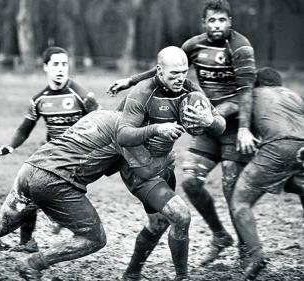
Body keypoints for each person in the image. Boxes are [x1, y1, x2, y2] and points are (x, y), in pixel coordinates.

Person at [0, 105, 210, 281]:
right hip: (54, 182)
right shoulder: (126, 132)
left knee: (0, 225)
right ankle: (33, 263)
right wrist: (166, 159)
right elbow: (144, 172)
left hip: (30, 170)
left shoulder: (98, 115)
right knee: (95, 238)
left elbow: (101, 165)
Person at [107, 0, 258, 265]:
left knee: (230, 188)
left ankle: (246, 252)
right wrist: (130, 82)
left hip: (232, 125)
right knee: (190, 182)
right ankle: (220, 235)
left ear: (230, 22)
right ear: (204, 22)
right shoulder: (194, 45)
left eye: (222, 20)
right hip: (200, 118)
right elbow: (163, 67)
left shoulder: (241, 47)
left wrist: (245, 128)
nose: (217, 25)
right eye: (212, 20)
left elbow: (246, 92)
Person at [115, 46, 226, 281]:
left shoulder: (189, 89)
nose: (180, 78)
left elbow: (221, 124)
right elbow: (122, 135)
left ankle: (131, 273)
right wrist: (156, 128)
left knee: (159, 222)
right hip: (138, 168)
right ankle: (182, 277)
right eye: (174, 73)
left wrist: (209, 120)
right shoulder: (142, 93)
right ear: (159, 70)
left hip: (164, 165)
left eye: (184, 72)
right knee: (181, 216)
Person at [0, 46, 100, 252]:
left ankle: (56, 227)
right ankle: (27, 243)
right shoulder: (39, 100)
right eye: (55, 64)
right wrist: (10, 145)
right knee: (29, 192)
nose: (61, 69)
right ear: (45, 67)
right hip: (51, 156)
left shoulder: (82, 96)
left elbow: (101, 123)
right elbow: (24, 129)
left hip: (77, 159)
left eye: (64, 64)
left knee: (48, 195)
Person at [231, 67, 304, 280]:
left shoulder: (252, 95)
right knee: (297, 185)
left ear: (257, 84)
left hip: (278, 147)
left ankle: (256, 255)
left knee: (240, 203)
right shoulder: (293, 95)